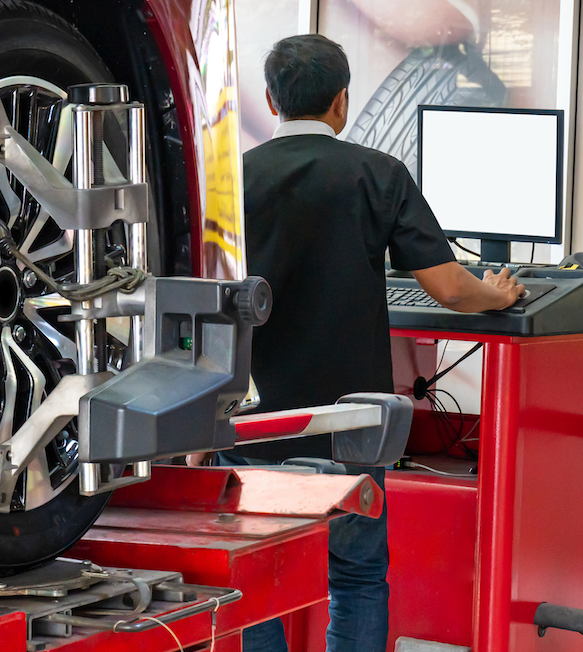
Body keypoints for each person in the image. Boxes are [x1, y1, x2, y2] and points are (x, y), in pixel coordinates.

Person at [211, 34, 523, 652]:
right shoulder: (377, 175)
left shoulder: (231, 182)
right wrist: (499, 295)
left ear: (271, 100)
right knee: (355, 576)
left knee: (258, 581)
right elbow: (450, 289)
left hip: (256, 426)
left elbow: (203, 300)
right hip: (351, 428)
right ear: (342, 102)